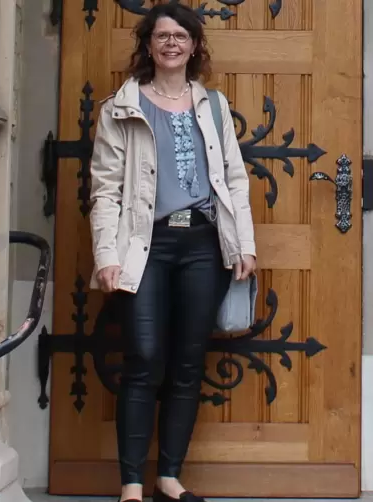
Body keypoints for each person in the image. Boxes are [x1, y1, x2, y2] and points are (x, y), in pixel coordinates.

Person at [87, 3, 257, 502]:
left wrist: (244, 244)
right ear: (148, 45)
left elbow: (233, 180)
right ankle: (132, 485)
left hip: (203, 245)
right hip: (146, 247)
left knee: (187, 363)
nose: (171, 43)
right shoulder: (121, 107)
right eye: (161, 35)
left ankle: (170, 477)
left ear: (195, 46)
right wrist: (105, 256)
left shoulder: (214, 106)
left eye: (180, 35)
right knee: (142, 359)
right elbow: (105, 192)